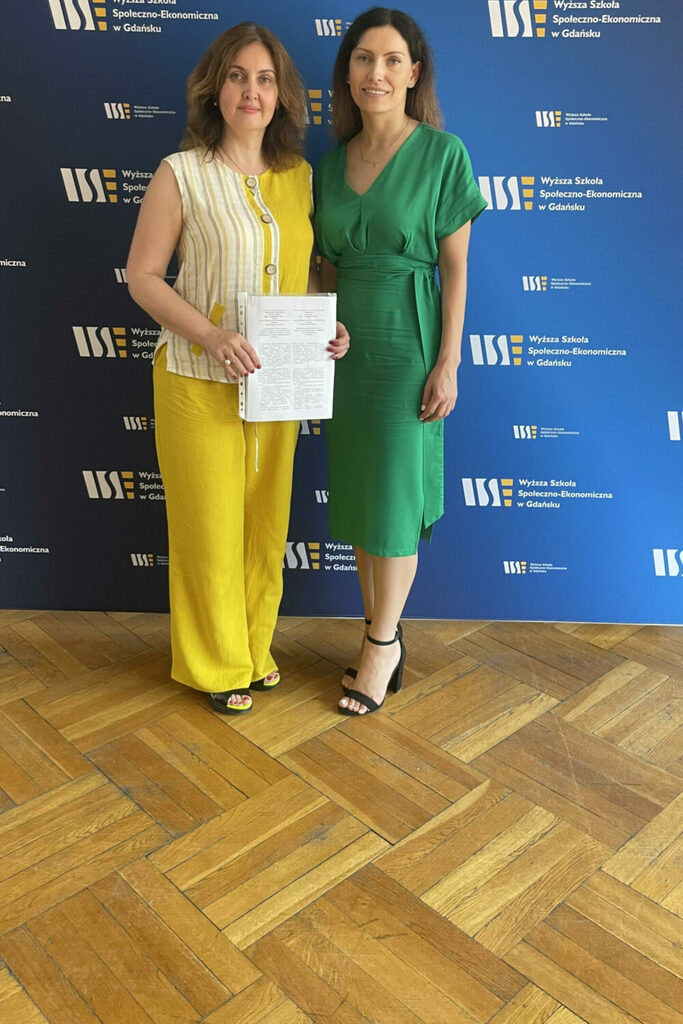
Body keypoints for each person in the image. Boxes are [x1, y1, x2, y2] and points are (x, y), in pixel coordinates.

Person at [127, 23, 349, 715]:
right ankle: (216, 665)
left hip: (276, 383)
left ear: (281, 95)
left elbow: (307, 275)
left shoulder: (300, 178)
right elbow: (142, 277)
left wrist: (325, 323)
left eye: (264, 78)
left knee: (264, 525)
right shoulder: (180, 173)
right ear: (214, 89)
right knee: (208, 528)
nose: (251, 91)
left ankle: (254, 651)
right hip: (197, 379)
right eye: (237, 76)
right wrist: (210, 333)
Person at [315, 7, 486, 716]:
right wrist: (317, 320)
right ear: (347, 72)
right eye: (362, 58)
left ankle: (382, 646)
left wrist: (448, 362)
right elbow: (325, 269)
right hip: (346, 350)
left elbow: (456, 269)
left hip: (408, 344)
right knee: (363, 498)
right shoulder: (327, 165)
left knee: (392, 500)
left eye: (391, 60)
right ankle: (377, 632)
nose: (375, 73)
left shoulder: (443, 154)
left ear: (413, 74)